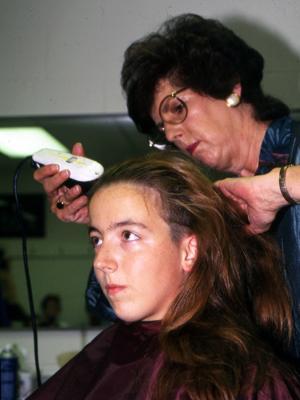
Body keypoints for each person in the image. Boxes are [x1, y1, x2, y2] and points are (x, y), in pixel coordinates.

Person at [33, 14, 300, 358]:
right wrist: (111, 219)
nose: (172, 134)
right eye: (162, 128)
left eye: (176, 108)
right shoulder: (222, 205)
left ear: (230, 88)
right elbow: (135, 309)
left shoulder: (293, 149)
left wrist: (281, 185)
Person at [29, 151, 300, 399]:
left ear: (189, 250)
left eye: (128, 235)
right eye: (97, 239)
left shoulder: (245, 382)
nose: (101, 262)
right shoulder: (109, 352)